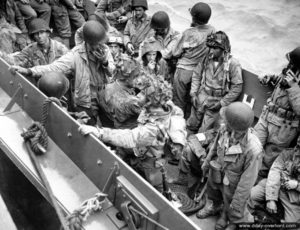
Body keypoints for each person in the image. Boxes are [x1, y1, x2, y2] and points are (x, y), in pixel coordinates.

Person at [79, 77, 187, 190]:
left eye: (143, 94)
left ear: (153, 100)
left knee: (151, 189)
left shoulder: (154, 129)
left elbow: (130, 137)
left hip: (150, 163)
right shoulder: (165, 105)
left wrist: (100, 132)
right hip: (146, 151)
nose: (139, 95)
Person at [10, 21, 115, 127]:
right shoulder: (75, 55)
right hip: (86, 100)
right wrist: (30, 71)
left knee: (109, 126)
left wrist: (105, 62)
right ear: (89, 42)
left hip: (105, 95)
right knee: (88, 128)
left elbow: (112, 73)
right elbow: (53, 67)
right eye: (97, 44)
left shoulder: (105, 50)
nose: (100, 46)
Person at [197, 102, 263, 230]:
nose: (223, 121)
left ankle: (228, 217)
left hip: (234, 182)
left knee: (231, 201)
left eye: (226, 120)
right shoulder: (224, 130)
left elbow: (246, 182)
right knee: (213, 191)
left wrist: (237, 204)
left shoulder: (253, 149)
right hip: (216, 171)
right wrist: (207, 163)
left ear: (234, 126)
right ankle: (215, 206)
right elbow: (215, 148)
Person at [255, 47, 300, 179]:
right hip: (266, 118)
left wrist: (293, 87)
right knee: (253, 148)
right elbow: (281, 81)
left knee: (267, 162)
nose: (290, 65)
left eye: (293, 64)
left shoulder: (295, 81)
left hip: (284, 129)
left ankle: (254, 189)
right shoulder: (289, 72)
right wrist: (270, 78)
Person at [187, 31, 243, 133]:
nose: (212, 51)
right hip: (201, 96)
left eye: (215, 48)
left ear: (224, 49)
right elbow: (196, 75)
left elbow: (237, 87)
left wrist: (222, 103)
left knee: (203, 132)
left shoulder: (233, 64)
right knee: (191, 125)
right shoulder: (206, 58)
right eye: (211, 48)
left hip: (216, 101)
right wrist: (193, 93)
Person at [172, 2, 215, 116]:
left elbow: (175, 53)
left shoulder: (188, 33)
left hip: (184, 70)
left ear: (194, 18)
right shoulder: (212, 30)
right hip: (200, 72)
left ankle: (178, 120)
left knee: (178, 99)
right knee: (192, 99)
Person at [248, 135, 300, 223]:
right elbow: (274, 172)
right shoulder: (288, 153)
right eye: (298, 144)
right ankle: (255, 219)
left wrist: (297, 185)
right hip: (277, 186)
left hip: (294, 198)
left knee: (292, 225)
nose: (297, 149)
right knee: (251, 195)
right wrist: (271, 198)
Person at [0, 18, 68, 69]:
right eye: (36, 34)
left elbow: (70, 66)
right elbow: (15, 60)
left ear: (47, 33)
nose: (39, 36)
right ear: (33, 36)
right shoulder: (30, 49)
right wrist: (2, 55)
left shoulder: (60, 48)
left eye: (42, 32)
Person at [148, 10, 180, 79]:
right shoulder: (154, 33)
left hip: (168, 66)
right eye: (157, 29)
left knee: (161, 61)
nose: (158, 32)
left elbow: (166, 54)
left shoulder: (176, 36)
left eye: (161, 30)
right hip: (154, 62)